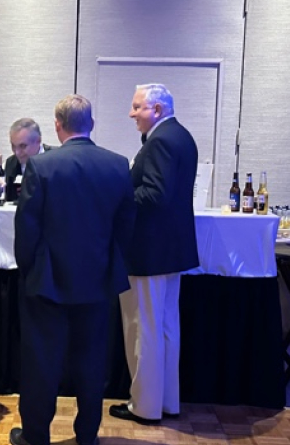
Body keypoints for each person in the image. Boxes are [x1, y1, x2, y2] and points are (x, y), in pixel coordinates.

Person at [11, 95, 135, 445]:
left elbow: (27, 228)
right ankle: (87, 435)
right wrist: (110, 263)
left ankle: (35, 436)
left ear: (57, 126)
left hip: (47, 281)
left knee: (41, 363)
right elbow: (126, 225)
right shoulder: (117, 165)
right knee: (92, 363)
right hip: (98, 279)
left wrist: (28, 270)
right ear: (91, 124)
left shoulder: (41, 166)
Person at [109, 83, 199, 424]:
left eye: (137, 107)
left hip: (148, 251)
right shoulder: (181, 136)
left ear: (157, 109)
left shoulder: (160, 140)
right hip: (170, 251)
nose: (131, 113)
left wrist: (117, 197)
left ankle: (144, 406)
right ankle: (166, 401)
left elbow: (154, 195)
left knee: (142, 327)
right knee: (165, 327)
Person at [3, 118, 53, 203]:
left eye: (23, 146)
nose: (17, 152)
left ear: (38, 141)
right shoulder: (10, 163)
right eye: (13, 146)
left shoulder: (55, 160)